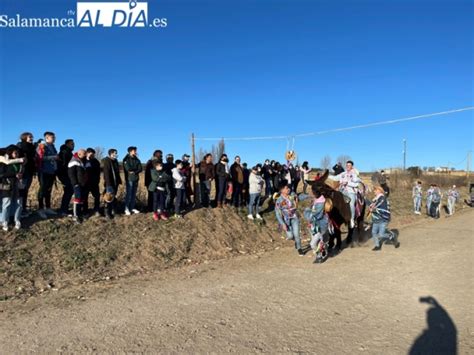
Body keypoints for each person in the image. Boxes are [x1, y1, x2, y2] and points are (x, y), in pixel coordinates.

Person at [275, 183, 304, 256]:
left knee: (297, 234)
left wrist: (308, 196)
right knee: (290, 236)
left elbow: (299, 197)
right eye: (286, 188)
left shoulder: (292, 195)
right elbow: (278, 214)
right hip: (286, 220)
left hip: (294, 218)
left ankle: (299, 248)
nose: (288, 189)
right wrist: (282, 224)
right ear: (282, 190)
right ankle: (296, 241)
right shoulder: (279, 200)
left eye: (288, 188)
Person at [0, 145, 24, 231]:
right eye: (15, 152)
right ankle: (4, 221)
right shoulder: (4, 163)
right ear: (10, 153)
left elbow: (23, 172)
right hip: (7, 185)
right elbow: (1, 174)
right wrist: (14, 175)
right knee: (6, 203)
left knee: (19, 203)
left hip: (18, 185)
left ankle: (17, 219)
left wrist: (21, 176)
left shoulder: (20, 163)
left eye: (17, 152)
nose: (17, 154)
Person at [369, 186, 399, 251]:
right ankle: (377, 246)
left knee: (381, 235)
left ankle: (392, 236)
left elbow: (379, 207)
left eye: (375, 190)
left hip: (383, 219)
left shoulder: (382, 198)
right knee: (374, 232)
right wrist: (365, 200)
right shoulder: (375, 199)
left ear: (379, 190)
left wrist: (373, 209)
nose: (374, 191)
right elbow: (371, 205)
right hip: (376, 219)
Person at [36, 132, 58, 219]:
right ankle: (40, 209)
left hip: (51, 172)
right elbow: (40, 158)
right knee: (42, 189)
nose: (54, 138)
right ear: (47, 138)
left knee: (49, 189)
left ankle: (48, 208)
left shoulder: (53, 146)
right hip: (43, 171)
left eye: (54, 137)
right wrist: (53, 157)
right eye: (52, 137)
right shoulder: (42, 146)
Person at [304, 187, 329, 262]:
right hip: (314, 225)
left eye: (311, 192)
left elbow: (315, 215)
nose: (310, 193)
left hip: (320, 226)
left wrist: (306, 211)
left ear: (315, 193)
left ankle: (319, 256)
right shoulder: (316, 201)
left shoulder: (320, 204)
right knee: (318, 241)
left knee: (312, 244)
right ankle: (323, 250)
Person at [336, 160, 361, 228]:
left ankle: (352, 219)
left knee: (351, 204)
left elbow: (357, 184)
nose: (348, 166)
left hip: (351, 191)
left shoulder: (355, 173)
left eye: (349, 165)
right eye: (347, 165)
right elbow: (337, 178)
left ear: (352, 166)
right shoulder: (343, 173)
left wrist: (348, 183)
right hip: (343, 190)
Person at [16, 132, 36, 216]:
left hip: (30, 171)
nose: (31, 138)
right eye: (30, 137)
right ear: (24, 138)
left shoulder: (32, 147)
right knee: (21, 190)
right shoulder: (21, 146)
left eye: (32, 137)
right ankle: (19, 210)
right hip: (23, 171)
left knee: (25, 190)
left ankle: (23, 208)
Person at [68, 149, 87, 224]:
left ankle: (79, 213)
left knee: (81, 199)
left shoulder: (80, 161)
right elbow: (71, 174)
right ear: (79, 154)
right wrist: (75, 183)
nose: (85, 155)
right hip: (77, 184)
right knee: (77, 199)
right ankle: (75, 216)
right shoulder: (74, 161)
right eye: (84, 154)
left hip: (82, 183)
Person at [102, 149, 122, 219]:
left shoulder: (115, 161)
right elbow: (106, 173)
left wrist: (119, 181)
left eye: (116, 153)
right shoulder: (107, 161)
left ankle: (114, 212)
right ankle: (107, 213)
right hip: (109, 183)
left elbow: (117, 172)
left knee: (113, 197)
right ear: (110, 154)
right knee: (108, 198)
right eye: (114, 153)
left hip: (115, 182)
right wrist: (108, 184)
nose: (116, 154)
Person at [57, 139, 75, 216]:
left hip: (66, 175)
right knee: (69, 191)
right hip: (64, 175)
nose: (73, 145)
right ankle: (63, 210)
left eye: (73, 144)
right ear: (67, 144)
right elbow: (64, 165)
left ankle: (64, 209)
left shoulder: (69, 152)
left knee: (69, 191)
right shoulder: (65, 152)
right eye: (72, 144)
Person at [123, 146, 142, 215]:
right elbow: (128, 169)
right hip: (129, 179)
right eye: (135, 151)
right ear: (130, 151)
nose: (136, 152)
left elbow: (140, 168)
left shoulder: (137, 159)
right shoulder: (126, 159)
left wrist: (134, 171)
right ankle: (126, 208)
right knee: (129, 194)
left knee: (134, 194)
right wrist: (135, 169)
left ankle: (132, 207)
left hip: (136, 178)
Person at [84, 148, 101, 216]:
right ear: (87, 153)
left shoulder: (96, 161)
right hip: (85, 182)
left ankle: (96, 209)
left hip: (94, 182)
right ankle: (85, 210)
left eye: (94, 154)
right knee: (85, 197)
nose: (93, 155)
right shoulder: (83, 160)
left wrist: (97, 180)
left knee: (97, 196)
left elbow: (98, 172)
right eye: (91, 154)